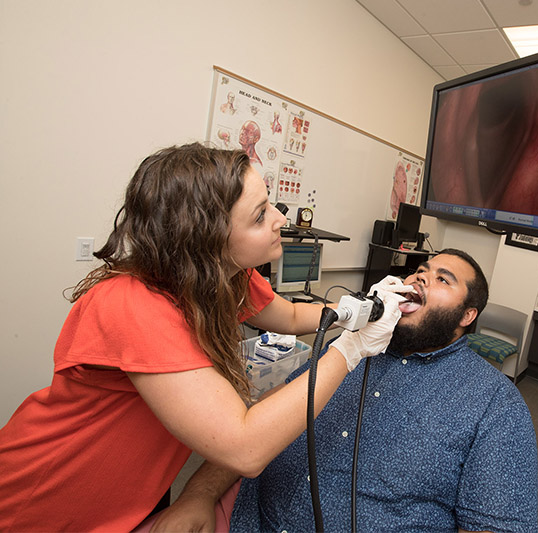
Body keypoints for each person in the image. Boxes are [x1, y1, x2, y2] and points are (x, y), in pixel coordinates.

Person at [0, 143, 409, 531]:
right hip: (41, 498)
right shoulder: (133, 305)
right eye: (260, 216)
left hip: (127, 495)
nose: (280, 220)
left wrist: (361, 307)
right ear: (206, 239)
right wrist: (350, 348)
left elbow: (291, 315)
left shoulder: (227, 277)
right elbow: (245, 447)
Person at [148, 249, 538, 533]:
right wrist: (197, 495)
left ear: (467, 316)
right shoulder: (348, 349)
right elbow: (263, 420)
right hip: (250, 518)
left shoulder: (495, 404)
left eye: (442, 279)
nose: (420, 278)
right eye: (420, 270)